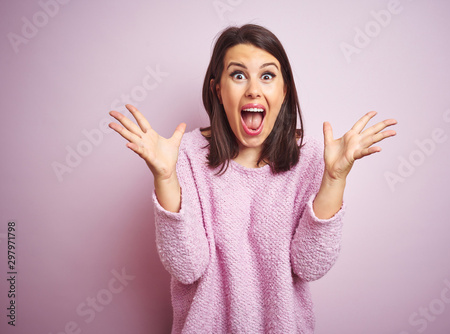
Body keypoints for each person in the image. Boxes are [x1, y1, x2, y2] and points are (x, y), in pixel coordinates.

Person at [109, 24, 396, 333]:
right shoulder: (186, 155)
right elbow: (187, 267)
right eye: (238, 75)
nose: (253, 89)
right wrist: (165, 177)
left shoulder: (312, 156)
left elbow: (310, 266)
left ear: (284, 90)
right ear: (217, 89)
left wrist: (335, 177)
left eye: (267, 76)